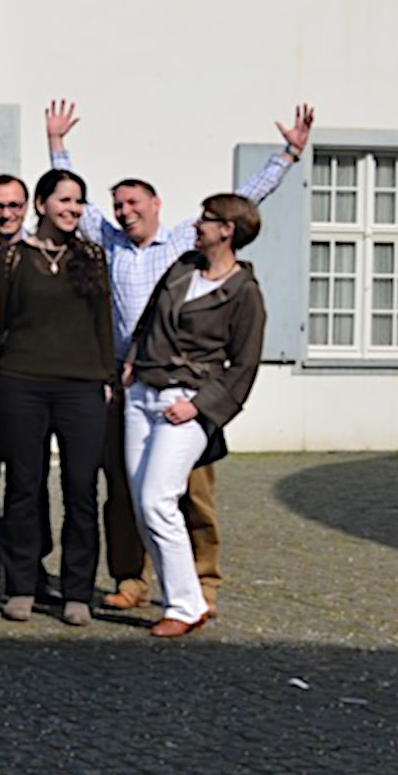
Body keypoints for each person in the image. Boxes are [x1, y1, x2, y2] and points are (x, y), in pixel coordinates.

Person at [46, 99, 312, 613]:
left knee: (193, 492)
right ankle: (131, 578)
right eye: (118, 205)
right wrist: (57, 145)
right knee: (124, 491)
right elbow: (75, 203)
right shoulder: (108, 240)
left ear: (156, 204)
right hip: (125, 382)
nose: (124, 212)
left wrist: (288, 155)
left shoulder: (182, 247)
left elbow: (242, 203)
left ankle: (202, 582)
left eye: (133, 203)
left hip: (186, 386)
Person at [124, 194, 266, 638]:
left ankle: (188, 604)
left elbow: (244, 367)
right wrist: (131, 362)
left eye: (208, 219)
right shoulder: (184, 265)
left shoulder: (244, 293)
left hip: (187, 404)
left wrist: (200, 407)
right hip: (142, 393)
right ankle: (178, 595)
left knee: (157, 500)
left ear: (228, 230)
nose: (197, 225)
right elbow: (148, 319)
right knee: (141, 503)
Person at [0, 169, 114, 627]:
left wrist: (106, 379)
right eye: (64, 200)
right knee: (24, 486)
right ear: (40, 204)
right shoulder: (12, 259)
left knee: (81, 488)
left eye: (79, 202)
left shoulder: (92, 257)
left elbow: (104, 320)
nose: (73, 209)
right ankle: (21, 583)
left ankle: (76, 590)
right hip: (21, 381)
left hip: (81, 386)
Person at [0, 171, 54, 603]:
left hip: (28, 382)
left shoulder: (43, 256)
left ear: (28, 207)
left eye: (13, 206)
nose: (6, 214)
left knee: (30, 480)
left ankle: (31, 566)